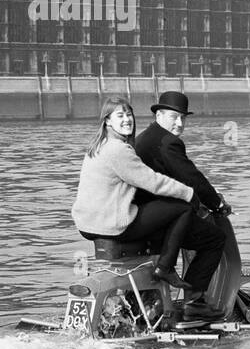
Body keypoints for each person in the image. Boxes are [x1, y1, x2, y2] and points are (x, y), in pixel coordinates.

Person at [71, 96, 199, 290]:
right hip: (111, 225)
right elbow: (153, 182)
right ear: (107, 120)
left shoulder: (98, 146)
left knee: (156, 212)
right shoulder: (118, 150)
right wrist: (189, 193)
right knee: (183, 208)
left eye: (129, 114)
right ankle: (165, 268)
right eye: (120, 115)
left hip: (87, 224)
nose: (127, 120)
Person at [134, 91, 227, 320]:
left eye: (183, 118)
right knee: (214, 238)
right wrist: (217, 203)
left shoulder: (144, 139)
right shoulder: (168, 142)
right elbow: (191, 178)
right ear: (159, 115)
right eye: (174, 117)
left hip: (143, 215)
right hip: (161, 218)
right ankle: (194, 302)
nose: (179, 123)